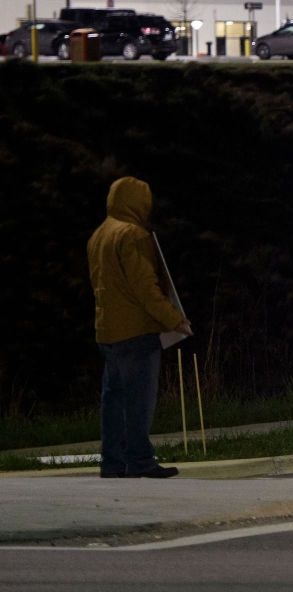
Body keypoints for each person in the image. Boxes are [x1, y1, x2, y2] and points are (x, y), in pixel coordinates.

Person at [88, 176, 191, 478]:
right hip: (136, 331)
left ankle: (112, 462)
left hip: (107, 331)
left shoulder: (98, 236)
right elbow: (145, 287)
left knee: (113, 400)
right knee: (139, 400)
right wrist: (174, 319)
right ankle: (141, 461)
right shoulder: (132, 235)